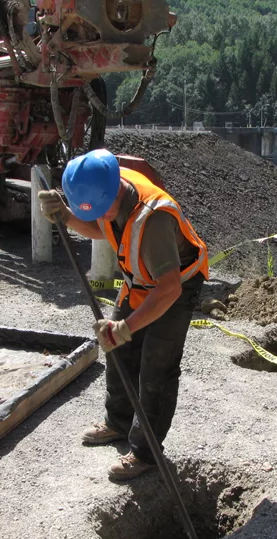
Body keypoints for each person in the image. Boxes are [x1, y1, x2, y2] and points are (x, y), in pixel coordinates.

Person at [38, 149, 208, 481]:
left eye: (102, 208)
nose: (101, 215)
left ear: (116, 190)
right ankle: (117, 422)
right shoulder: (108, 188)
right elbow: (102, 228)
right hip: (140, 279)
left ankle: (146, 454)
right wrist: (66, 215)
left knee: (156, 371)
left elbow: (169, 289)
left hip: (176, 287)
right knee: (118, 351)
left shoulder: (154, 219)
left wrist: (126, 327)